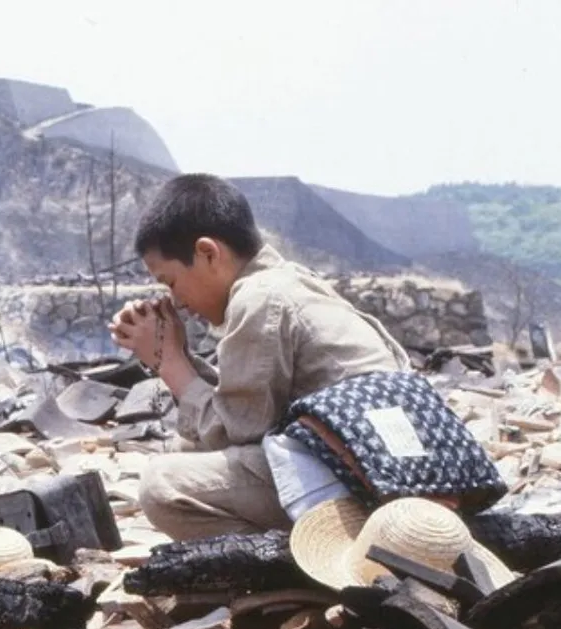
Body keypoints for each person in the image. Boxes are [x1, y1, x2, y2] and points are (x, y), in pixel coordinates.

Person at [109, 174, 411, 541]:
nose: (178, 302)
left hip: (364, 488)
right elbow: (241, 411)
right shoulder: (288, 281)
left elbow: (231, 433)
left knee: (161, 486)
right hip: (388, 473)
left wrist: (168, 362)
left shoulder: (259, 300)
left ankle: (306, 557)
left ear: (208, 253)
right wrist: (176, 352)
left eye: (171, 283)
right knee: (185, 448)